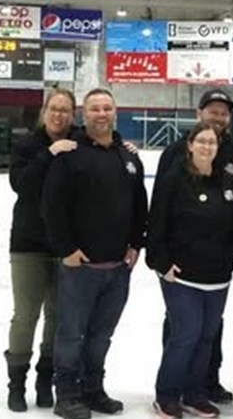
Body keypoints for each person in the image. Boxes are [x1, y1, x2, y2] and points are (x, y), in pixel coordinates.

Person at [41, 88, 148, 419]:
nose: (102, 113)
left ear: (115, 112)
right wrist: (67, 250)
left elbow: (139, 206)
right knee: (71, 334)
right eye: (94, 109)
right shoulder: (69, 154)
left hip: (118, 268)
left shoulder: (128, 157)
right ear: (83, 115)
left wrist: (135, 244)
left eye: (107, 107)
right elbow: (51, 207)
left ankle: (93, 388)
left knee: (102, 334)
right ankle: (67, 394)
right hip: (80, 267)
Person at [155, 88, 233, 405]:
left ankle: (204, 384)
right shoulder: (174, 161)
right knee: (185, 332)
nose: (218, 117)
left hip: (216, 272)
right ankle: (172, 389)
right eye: (213, 111)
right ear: (199, 115)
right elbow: (159, 217)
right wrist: (160, 260)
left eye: (223, 112)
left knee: (208, 333)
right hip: (182, 270)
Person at [4, 89, 79, 412]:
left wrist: (123, 148)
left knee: (58, 317)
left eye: (65, 110)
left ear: (72, 114)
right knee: (25, 316)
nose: (59, 115)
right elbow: (21, 184)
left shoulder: (80, 142)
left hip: (65, 244)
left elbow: (103, 151)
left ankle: (44, 379)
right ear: (44, 110)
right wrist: (50, 153)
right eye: (54, 108)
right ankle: (16, 384)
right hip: (28, 244)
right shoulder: (26, 145)